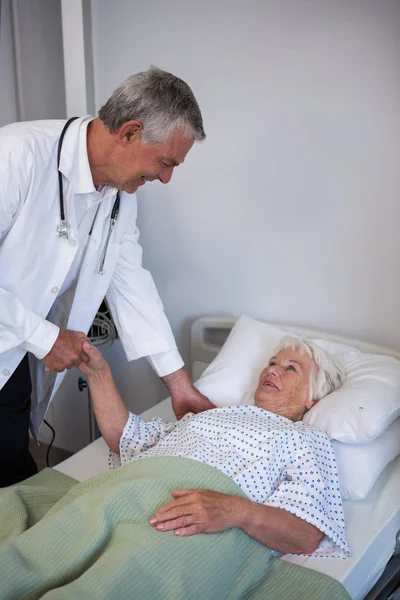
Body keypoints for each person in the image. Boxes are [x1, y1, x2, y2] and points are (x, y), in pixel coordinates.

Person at [0, 66, 214, 487]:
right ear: (130, 132)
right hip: (23, 335)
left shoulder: (119, 195)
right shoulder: (16, 155)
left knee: (11, 474)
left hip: (10, 353)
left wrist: (178, 383)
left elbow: (130, 279)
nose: (166, 178)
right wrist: (45, 338)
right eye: (166, 162)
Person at [77, 335, 349, 558]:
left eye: (291, 368)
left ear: (313, 398)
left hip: (176, 524)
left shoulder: (304, 438)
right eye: (273, 362)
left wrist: (238, 511)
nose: (272, 369)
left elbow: (307, 535)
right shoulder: (211, 414)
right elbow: (126, 441)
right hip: (123, 492)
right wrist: (98, 374)